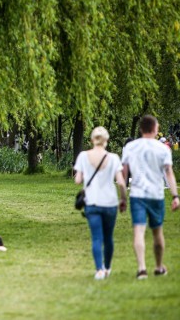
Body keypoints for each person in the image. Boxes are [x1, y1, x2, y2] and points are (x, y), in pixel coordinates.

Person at [122, 115, 179, 279]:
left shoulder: (131, 147)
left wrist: (123, 197)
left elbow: (124, 172)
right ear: (155, 129)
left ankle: (141, 268)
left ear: (140, 129)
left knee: (138, 231)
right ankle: (159, 266)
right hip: (156, 194)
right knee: (157, 232)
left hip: (137, 195)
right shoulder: (163, 149)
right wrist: (175, 195)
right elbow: (169, 172)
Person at [74, 127, 127, 280]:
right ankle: (108, 267)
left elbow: (78, 180)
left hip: (92, 202)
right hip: (110, 203)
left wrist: (84, 174)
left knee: (97, 237)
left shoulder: (83, 156)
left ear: (92, 140)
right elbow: (122, 183)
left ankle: (99, 270)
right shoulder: (114, 158)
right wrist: (123, 199)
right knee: (108, 237)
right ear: (106, 141)